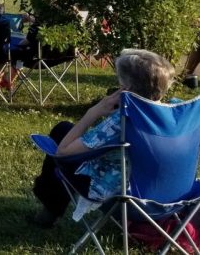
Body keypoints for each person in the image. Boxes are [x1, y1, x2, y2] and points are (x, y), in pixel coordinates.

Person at [29, 49, 175, 227]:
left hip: (122, 193)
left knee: (62, 131)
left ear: (126, 88)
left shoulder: (120, 122)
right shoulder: (174, 115)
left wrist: (93, 112)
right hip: (169, 194)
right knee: (65, 129)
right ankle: (49, 208)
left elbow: (63, 152)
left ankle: (50, 210)